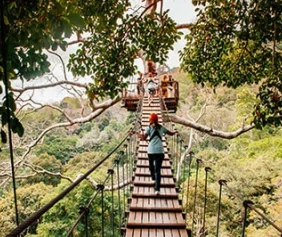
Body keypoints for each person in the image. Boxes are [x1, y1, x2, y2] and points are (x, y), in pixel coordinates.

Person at [135, 113, 178, 195]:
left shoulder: (148, 128)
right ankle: (157, 189)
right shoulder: (161, 128)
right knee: (157, 170)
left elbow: (143, 138)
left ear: (150, 121)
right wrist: (175, 132)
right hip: (160, 152)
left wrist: (136, 134)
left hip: (151, 152)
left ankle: (153, 178)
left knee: (151, 167)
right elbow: (170, 133)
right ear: (157, 120)